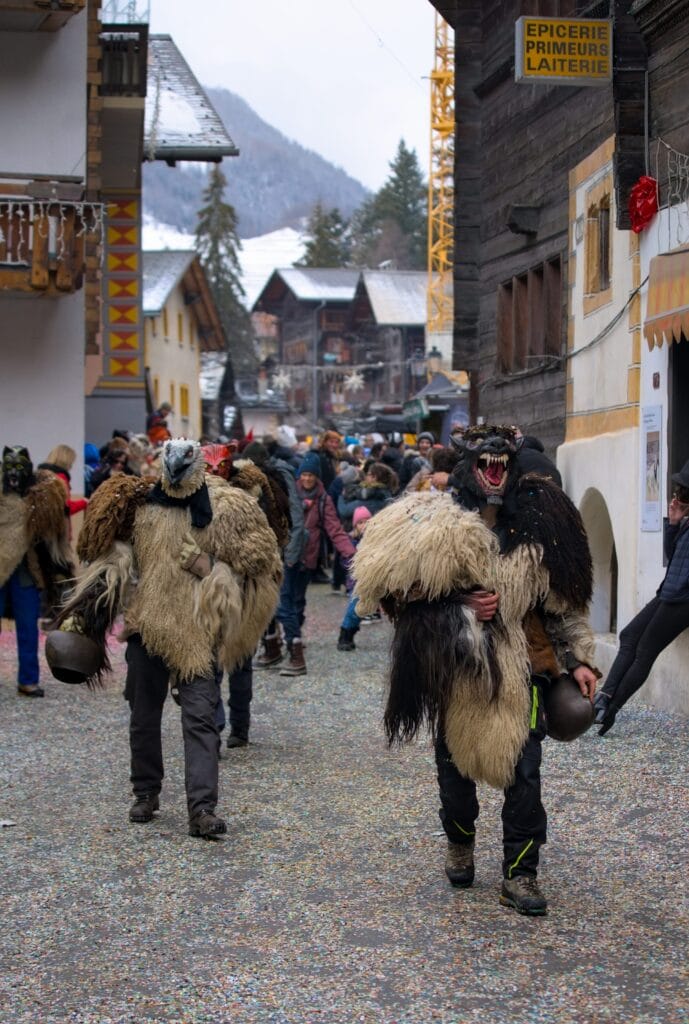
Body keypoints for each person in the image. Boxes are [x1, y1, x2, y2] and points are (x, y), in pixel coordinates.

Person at [353, 425, 598, 916]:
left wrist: (580, 658)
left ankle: (521, 875)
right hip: (457, 666)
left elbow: (561, 603)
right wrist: (461, 605)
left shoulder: (536, 523)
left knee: (525, 771)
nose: (493, 467)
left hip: (522, 665)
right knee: (456, 767)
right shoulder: (435, 523)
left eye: (502, 459)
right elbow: (392, 598)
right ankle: (460, 843)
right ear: (470, 466)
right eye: (484, 459)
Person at [53, 439, 281, 838]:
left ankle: (202, 808)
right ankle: (145, 791)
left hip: (197, 630)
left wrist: (207, 566)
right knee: (143, 715)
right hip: (148, 625)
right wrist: (90, 606)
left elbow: (260, 559)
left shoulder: (225, 507)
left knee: (200, 719)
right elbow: (113, 557)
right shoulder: (142, 507)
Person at [594, 461, 689, 735]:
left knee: (646, 650)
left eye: (684, 492)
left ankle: (610, 708)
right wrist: (673, 524)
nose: (678, 496)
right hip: (668, 592)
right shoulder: (685, 523)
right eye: (678, 491)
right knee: (628, 636)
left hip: (681, 601)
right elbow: (673, 557)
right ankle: (606, 696)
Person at [276, 451, 355, 676]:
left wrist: (350, 553)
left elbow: (334, 529)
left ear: (317, 476)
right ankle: (293, 642)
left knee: (298, 600)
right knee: (284, 601)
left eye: (311, 475)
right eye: (305, 475)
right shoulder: (290, 494)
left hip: (308, 558)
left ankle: (294, 635)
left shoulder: (323, 499)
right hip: (289, 555)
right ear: (300, 476)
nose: (307, 479)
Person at [0, 446, 71, 696]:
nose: (14, 475)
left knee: (28, 627)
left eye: (20, 468)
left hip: (25, 571)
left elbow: (52, 530)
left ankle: (27, 679)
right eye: (10, 468)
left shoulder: (39, 499)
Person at [337, 505, 372, 651]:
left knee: (361, 609)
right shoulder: (350, 542)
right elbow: (345, 561)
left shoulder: (373, 539)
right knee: (354, 608)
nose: (364, 525)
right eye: (360, 522)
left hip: (369, 580)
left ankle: (350, 632)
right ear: (355, 525)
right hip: (356, 581)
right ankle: (345, 634)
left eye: (367, 521)